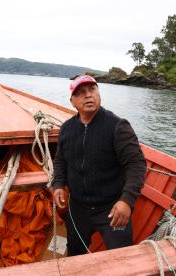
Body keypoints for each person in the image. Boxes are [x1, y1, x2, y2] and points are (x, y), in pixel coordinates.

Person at [52, 75, 146, 256]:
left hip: (111, 208)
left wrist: (127, 200)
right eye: (80, 93)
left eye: (92, 90)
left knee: (122, 259)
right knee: (74, 254)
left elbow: (136, 164)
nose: (88, 96)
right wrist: (58, 184)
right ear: (72, 102)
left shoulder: (118, 126)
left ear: (98, 93)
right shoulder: (66, 129)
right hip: (78, 207)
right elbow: (60, 160)